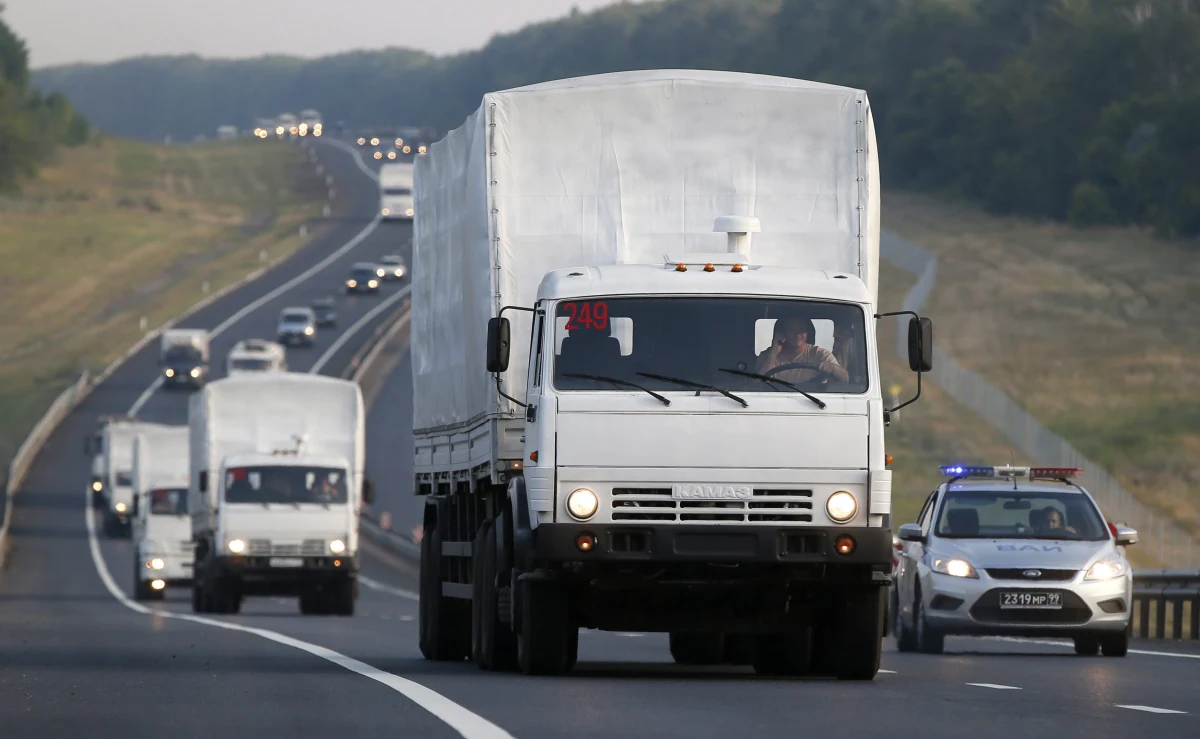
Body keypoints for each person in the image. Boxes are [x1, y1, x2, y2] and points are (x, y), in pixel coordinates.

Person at [755, 316, 848, 385]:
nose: (797, 334)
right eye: (791, 329)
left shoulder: (820, 354)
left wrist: (833, 368)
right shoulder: (769, 355)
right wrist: (773, 354)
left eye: (801, 329)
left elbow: (845, 379)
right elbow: (756, 384)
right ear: (782, 333)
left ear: (808, 333)